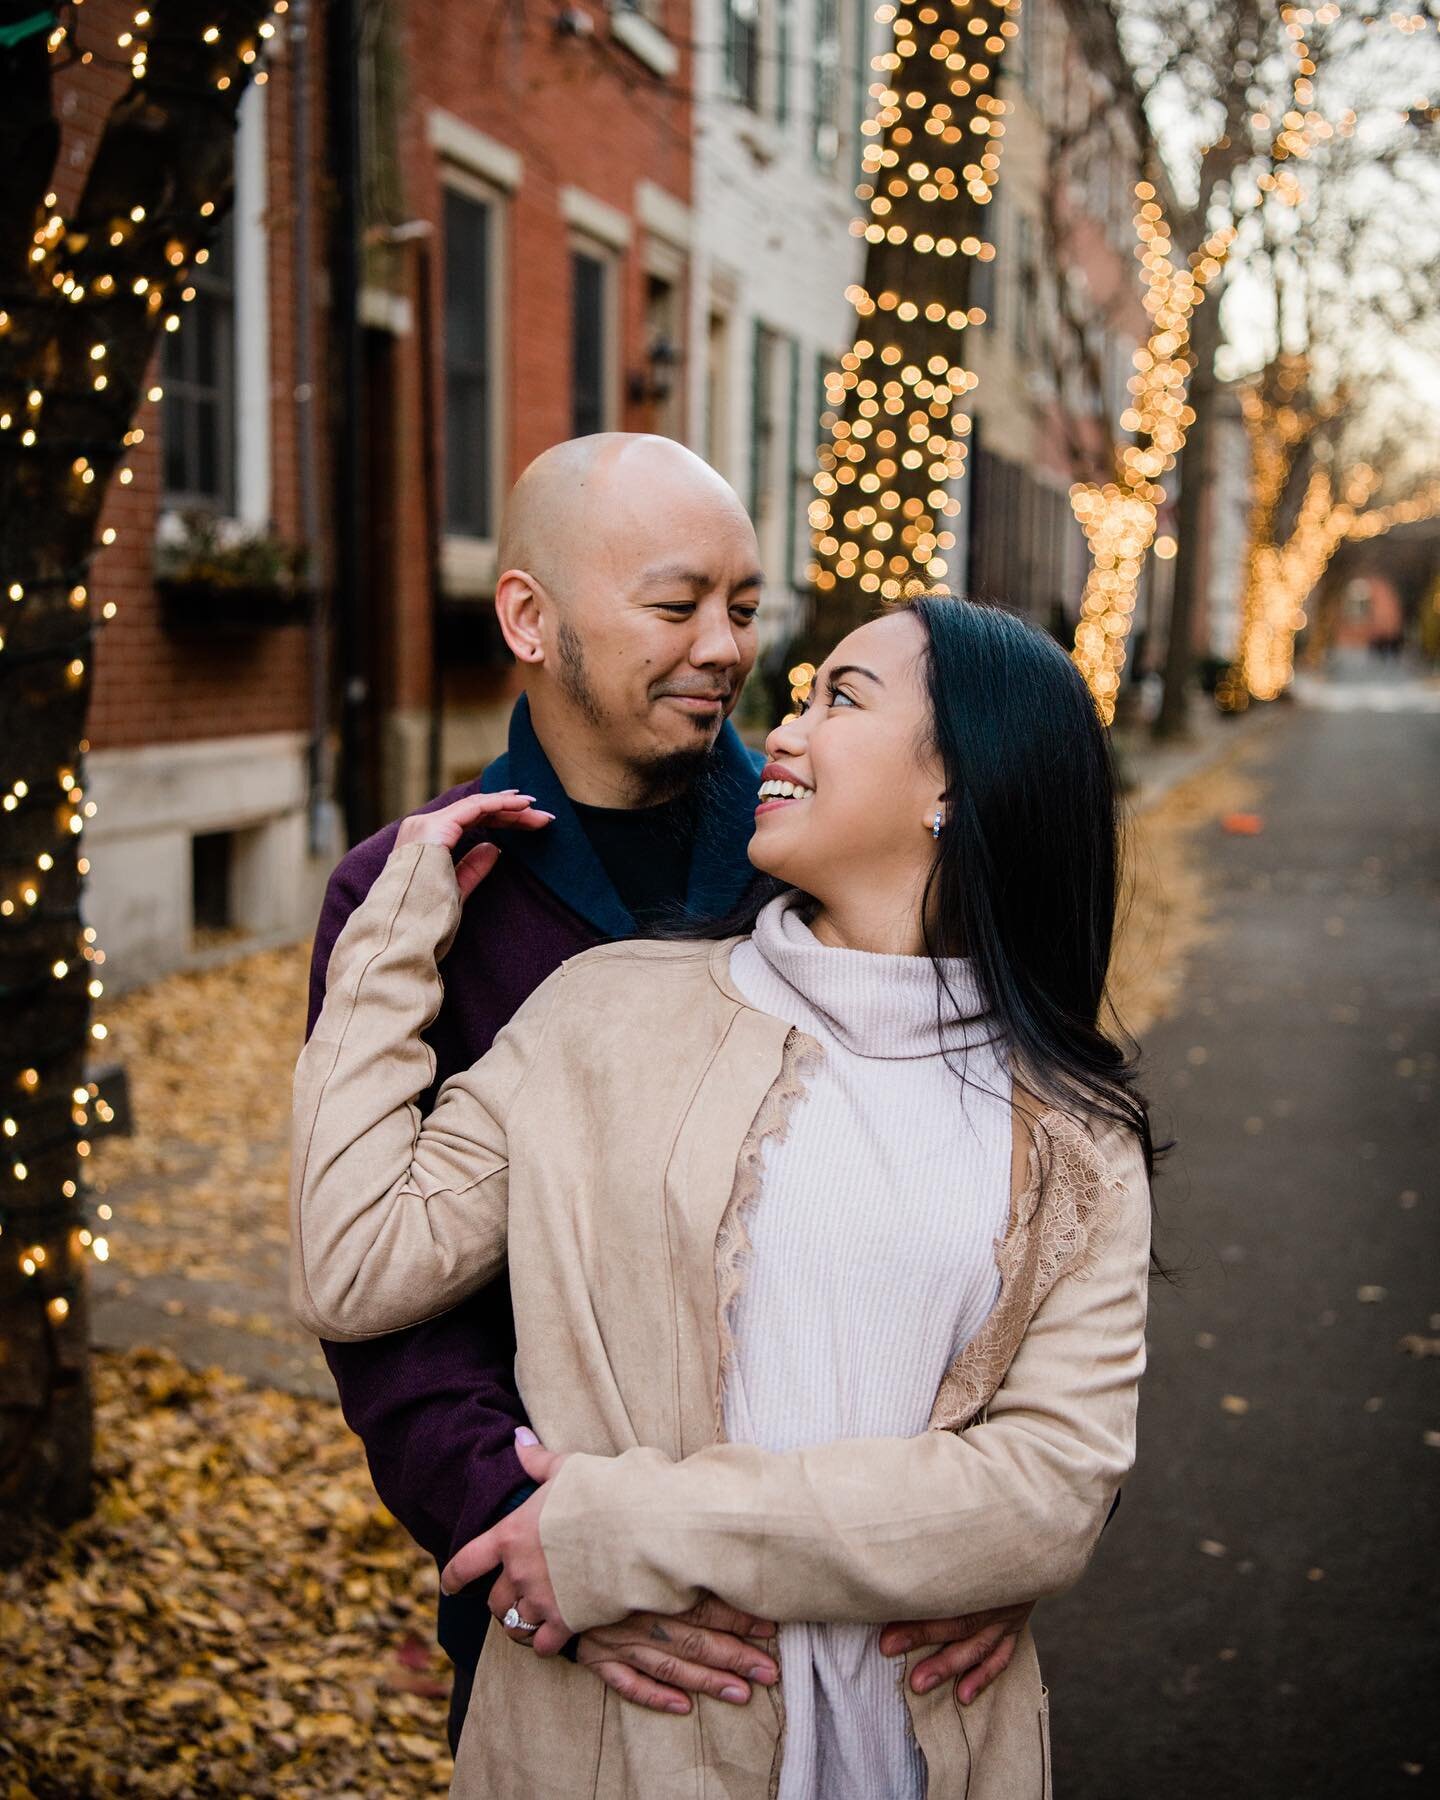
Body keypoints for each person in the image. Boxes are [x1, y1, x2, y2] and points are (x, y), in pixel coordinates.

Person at [293, 593, 1157, 1799]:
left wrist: (624, 1534)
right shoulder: (607, 1010)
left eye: (840, 699)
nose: (782, 731)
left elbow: (1051, 1493)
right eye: (797, 697)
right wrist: (393, 935)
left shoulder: (1073, 1133)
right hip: (617, 1750)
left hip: (923, 1752)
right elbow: (355, 1260)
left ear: (954, 786)